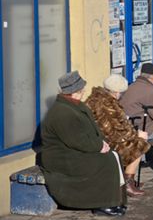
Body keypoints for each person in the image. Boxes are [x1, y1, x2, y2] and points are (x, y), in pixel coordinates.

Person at [40, 71, 126, 216]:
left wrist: (101, 144)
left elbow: (89, 132)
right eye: (81, 89)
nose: (84, 91)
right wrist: (99, 147)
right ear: (75, 91)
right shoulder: (62, 112)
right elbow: (77, 140)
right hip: (61, 157)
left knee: (113, 155)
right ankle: (102, 204)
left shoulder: (75, 106)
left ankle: (114, 200)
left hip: (73, 151)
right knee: (106, 160)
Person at [86, 74, 150, 197]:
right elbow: (114, 130)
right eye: (121, 93)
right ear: (115, 92)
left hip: (99, 138)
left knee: (136, 140)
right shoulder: (106, 105)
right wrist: (137, 134)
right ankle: (127, 183)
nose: (121, 96)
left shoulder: (97, 99)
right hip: (105, 142)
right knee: (139, 144)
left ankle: (127, 179)